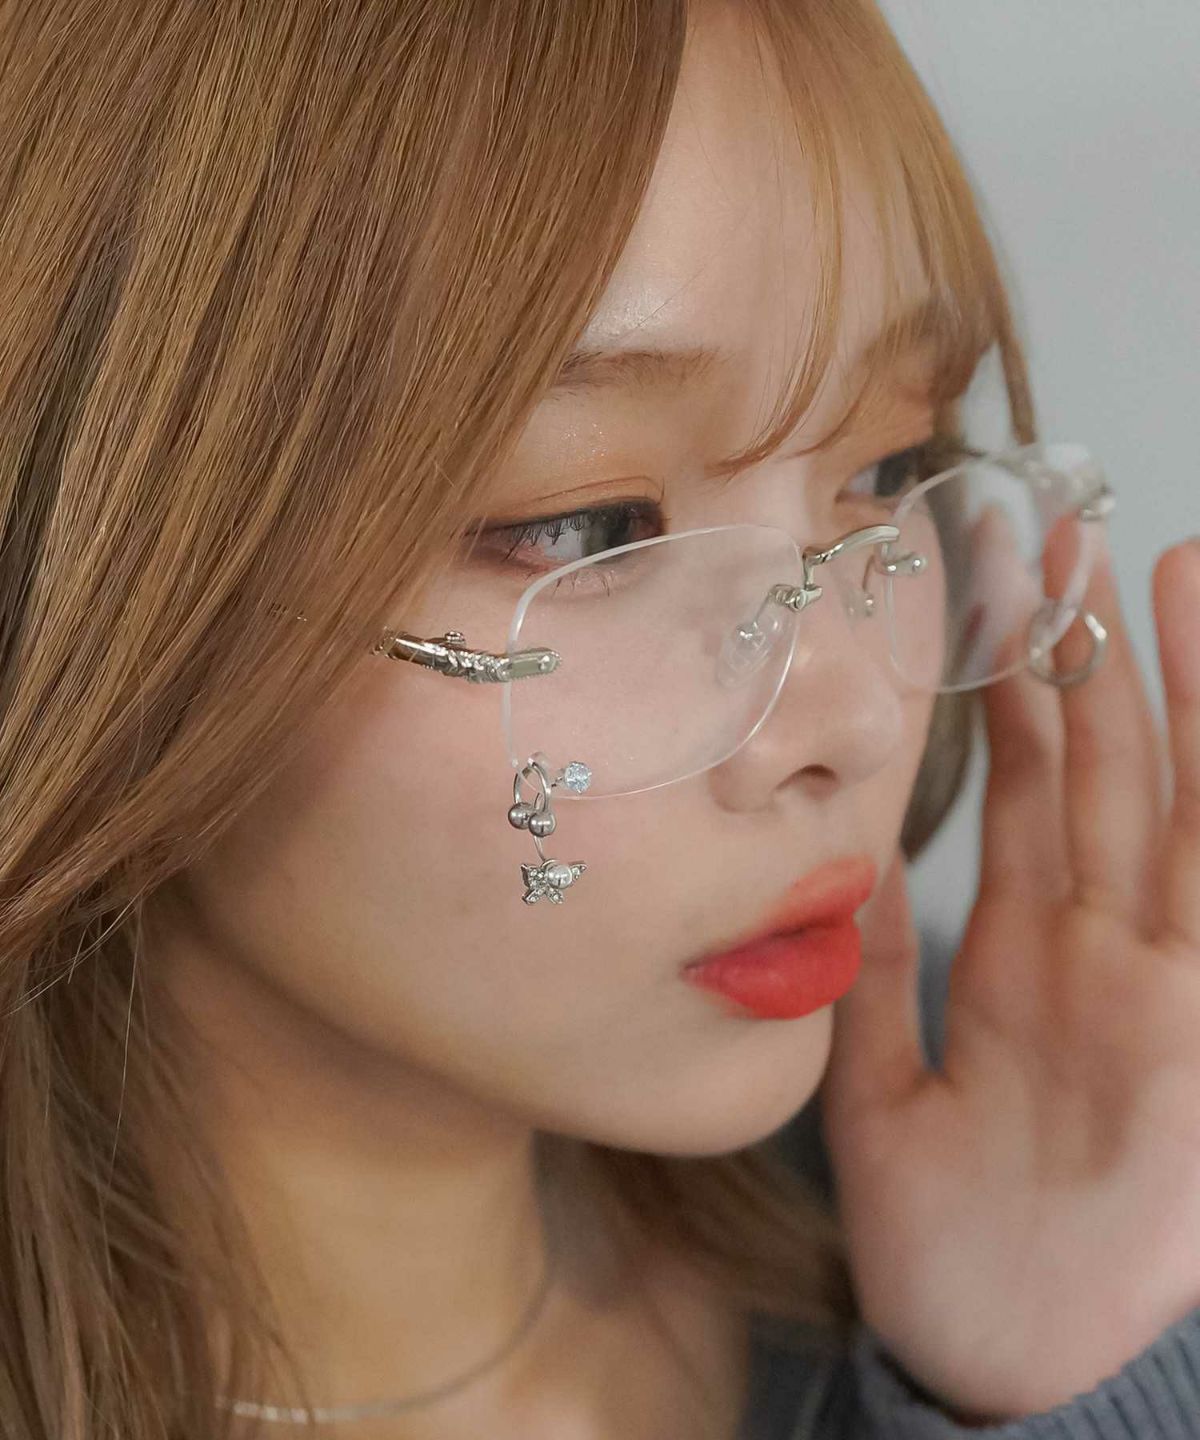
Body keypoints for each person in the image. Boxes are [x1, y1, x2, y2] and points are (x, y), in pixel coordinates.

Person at [0, 1, 1197, 1437]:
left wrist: (1060, 1381)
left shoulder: (1015, 1134)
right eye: (591, 529)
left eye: (886, 471)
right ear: (97, 566)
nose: (855, 715)